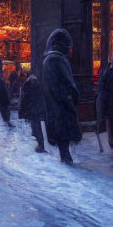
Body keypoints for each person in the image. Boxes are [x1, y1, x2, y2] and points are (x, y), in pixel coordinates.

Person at [42, 29, 81, 164]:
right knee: (64, 136)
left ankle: (66, 159)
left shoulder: (49, 59)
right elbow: (67, 83)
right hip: (61, 106)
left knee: (62, 138)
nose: (70, 50)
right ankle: (67, 161)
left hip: (55, 106)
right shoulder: (57, 59)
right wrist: (71, 97)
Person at [19, 73, 47, 153]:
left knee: (35, 127)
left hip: (32, 110)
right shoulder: (38, 84)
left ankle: (40, 145)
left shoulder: (27, 85)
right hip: (37, 109)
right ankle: (40, 144)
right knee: (37, 127)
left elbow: (25, 99)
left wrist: (22, 110)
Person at [0, 59, 12, 126]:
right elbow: (0, 82)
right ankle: (6, 120)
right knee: (5, 106)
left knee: (4, 106)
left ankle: (6, 120)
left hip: (1, 92)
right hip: (1, 92)